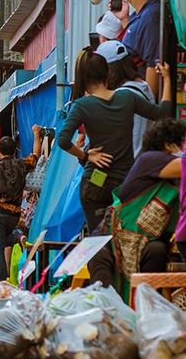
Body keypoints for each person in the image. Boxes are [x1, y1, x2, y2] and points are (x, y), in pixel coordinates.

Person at [58, 52, 172, 233]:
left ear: (84, 78)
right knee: (124, 239)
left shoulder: (81, 105)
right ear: (107, 74)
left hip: (95, 182)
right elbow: (163, 114)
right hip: (125, 185)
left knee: (97, 243)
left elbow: (63, 140)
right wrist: (166, 79)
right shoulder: (128, 97)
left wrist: (86, 155)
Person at [87, 119, 185, 287]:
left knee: (157, 250)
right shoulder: (150, 159)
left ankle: (142, 307)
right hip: (110, 238)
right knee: (101, 272)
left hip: (145, 242)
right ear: (169, 145)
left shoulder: (171, 179)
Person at [0, 125, 43, 282]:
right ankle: (17, 236)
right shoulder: (22, 164)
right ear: (15, 150)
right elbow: (36, 155)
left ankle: (1, 278)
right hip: (15, 213)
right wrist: (36, 135)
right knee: (4, 238)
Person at [101, 40, 156, 157]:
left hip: (127, 168)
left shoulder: (123, 95)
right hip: (140, 164)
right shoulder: (144, 86)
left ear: (109, 69)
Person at [116, 0, 161, 93]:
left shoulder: (151, 16)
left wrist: (148, 105)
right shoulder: (141, 13)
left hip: (139, 98)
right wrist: (124, 19)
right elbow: (137, 42)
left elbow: (153, 64)